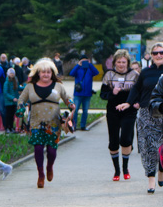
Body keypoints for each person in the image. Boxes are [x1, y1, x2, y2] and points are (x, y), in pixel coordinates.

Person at [17, 58, 75, 189]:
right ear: (38, 73)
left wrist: (71, 104)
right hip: (36, 122)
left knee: (52, 151)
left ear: (52, 73)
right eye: (43, 72)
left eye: (48, 72)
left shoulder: (58, 86)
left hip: (53, 123)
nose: (46, 75)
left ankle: (49, 167)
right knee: (38, 148)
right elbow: (22, 99)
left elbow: (66, 97)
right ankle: (40, 174)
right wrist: (20, 107)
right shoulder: (30, 86)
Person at [120, 42, 163, 193]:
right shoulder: (145, 72)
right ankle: (151, 179)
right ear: (151, 56)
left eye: (161, 52)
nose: (159, 55)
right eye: (155, 53)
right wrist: (128, 103)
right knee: (148, 148)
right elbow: (136, 88)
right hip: (146, 113)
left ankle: (161, 171)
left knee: (162, 148)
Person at [100, 49, 138, 181]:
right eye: (118, 62)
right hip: (113, 111)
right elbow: (102, 95)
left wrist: (136, 102)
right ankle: (117, 170)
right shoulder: (109, 75)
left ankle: (125, 168)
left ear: (128, 62)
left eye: (124, 62)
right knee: (114, 141)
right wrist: (112, 93)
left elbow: (139, 92)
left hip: (129, 110)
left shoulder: (134, 75)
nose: (121, 64)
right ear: (114, 62)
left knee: (126, 140)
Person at [69, 54, 99, 131]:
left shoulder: (90, 69)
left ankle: (83, 125)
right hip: (78, 93)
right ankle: (74, 125)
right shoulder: (78, 69)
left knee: (85, 111)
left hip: (87, 94)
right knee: (75, 110)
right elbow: (71, 73)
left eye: (86, 61)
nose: (84, 63)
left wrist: (90, 64)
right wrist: (78, 65)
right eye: (83, 61)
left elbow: (96, 72)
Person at [3, 68, 22, 133]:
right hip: (9, 102)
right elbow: (5, 93)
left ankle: (11, 127)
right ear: (8, 74)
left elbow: (18, 88)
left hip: (14, 102)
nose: (12, 74)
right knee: (8, 115)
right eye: (11, 73)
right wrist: (12, 98)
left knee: (12, 115)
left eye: (13, 73)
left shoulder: (15, 81)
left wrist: (25, 87)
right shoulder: (7, 82)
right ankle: (7, 128)